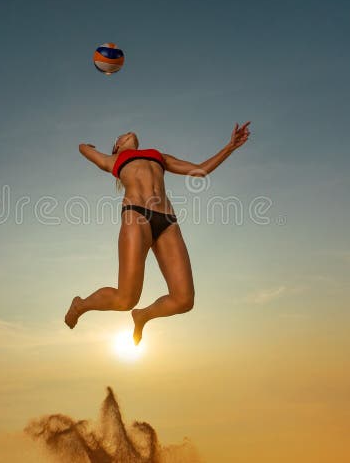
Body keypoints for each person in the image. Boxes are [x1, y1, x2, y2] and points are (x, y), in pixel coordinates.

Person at [64, 122, 251, 344]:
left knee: (184, 299)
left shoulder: (158, 156)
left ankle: (143, 316)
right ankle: (81, 304)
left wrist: (230, 147)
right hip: (136, 214)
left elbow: (200, 170)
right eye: (121, 136)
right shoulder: (112, 160)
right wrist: (85, 145)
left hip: (167, 221)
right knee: (125, 299)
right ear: (117, 147)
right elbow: (83, 149)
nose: (128, 133)